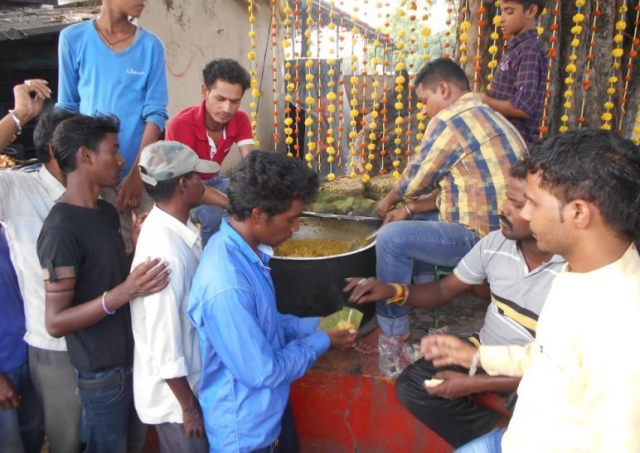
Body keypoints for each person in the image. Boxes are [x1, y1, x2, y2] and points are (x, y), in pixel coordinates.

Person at [422, 129, 640, 452]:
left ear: (578, 213)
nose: (524, 214)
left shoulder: (621, 329)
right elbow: (548, 356)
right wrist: (477, 355)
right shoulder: (580, 272)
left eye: (533, 203)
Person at [345, 160, 564, 447]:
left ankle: (518, 439)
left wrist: (473, 384)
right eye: (507, 199)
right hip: (482, 350)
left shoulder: (573, 272)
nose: (503, 209)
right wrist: (392, 291)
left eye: (519, 204)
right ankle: (501, 434)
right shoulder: (495, 244)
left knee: (545, 404)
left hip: (535, 370)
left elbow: (556, 372)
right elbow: (443, 289)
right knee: (413, 386)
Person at [187, 150, 356, 452]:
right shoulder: (227, 285)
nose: (296, 228)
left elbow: (265, 322)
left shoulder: (245, 251)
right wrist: (322, 341)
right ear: (258, 215)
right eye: (291, 219)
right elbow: (263, 371)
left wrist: (315, 325)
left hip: (267, 417)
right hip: (246, 437)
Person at [358, 58, 527, 353]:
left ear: (444, 89)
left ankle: (392, 330)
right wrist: (408, 210)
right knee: (413, 223)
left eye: (425, 101)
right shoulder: (489, 115)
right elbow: (459, 191)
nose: (424, 111)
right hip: (507, 231)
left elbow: (417, 177)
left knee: (391, 238)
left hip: (486, 238)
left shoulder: (451, 119)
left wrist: (386, 202)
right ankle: (423, 297)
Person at [36, 114, 170, 453]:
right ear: (85, 155)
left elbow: (109, 278)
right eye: (113, 151)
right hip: (102, 375)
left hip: (132, 360)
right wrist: (125, 292)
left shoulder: (106, 212)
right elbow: (55, 322)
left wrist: (135, 248)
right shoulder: (60, 230)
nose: (123, 160)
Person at [0, 82, 84, 453]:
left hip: (96, 346)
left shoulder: (97, 196)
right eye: (81, 144)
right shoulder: (18, 190)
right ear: (54, 149)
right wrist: (20, 116)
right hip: (48, 349)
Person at [56, 0, 169, 253]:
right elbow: (67, 110)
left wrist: (137, 172)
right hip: (93, 174)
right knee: (109, 249)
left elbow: (156, 113)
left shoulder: (151, 46)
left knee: (156, 245)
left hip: (142, 171)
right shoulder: (73, 39)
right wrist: (69, 172)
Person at [130, 141, 220, 453]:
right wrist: (188, 407)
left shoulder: (174, 225)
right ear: (183, 184)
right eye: (196, 176)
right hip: (177, 403)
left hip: (191, 385)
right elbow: (164, 342)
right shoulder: (166, 254)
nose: (202, 183)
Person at [166, 58, 254, 246]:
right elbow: (187, 184)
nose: (227, 109)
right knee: (213, 215)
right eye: (220, 99)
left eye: (235, 101)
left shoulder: (240, 119)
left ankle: (246, 252)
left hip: (216, 180)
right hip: (183, 190)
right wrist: (231, 203)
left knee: (256, 201)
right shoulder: (181, 125)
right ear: (205, 91)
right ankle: (210, 258)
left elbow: (251, 164)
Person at [479, 0, 547, 146]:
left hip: (515, 145)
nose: (501, 18)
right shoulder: (516, 47)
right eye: (502, 11)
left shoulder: (529, 49)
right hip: (501, 139)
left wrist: (485, 101)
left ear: (531, 11)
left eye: (509, 12)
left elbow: (523, 107)